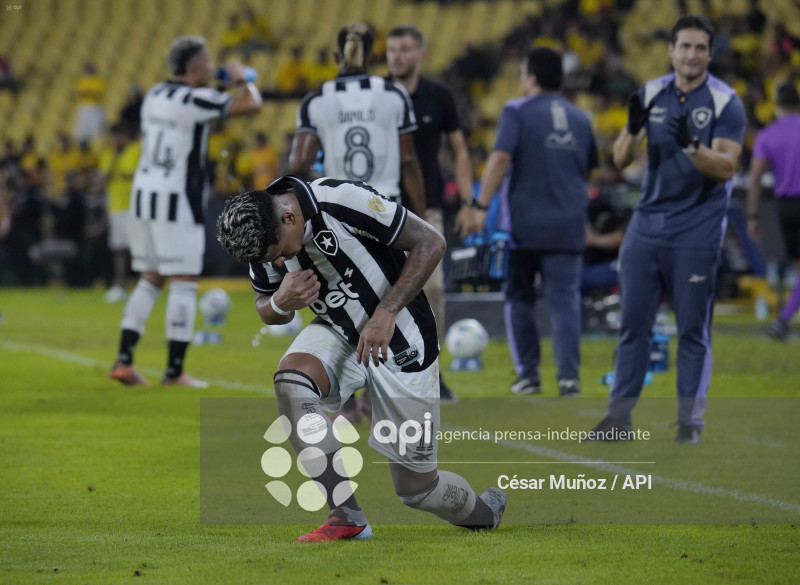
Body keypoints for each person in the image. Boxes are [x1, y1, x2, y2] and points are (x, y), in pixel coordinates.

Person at [216, 174, 506, 541]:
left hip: (403, 338)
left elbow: (432, 242)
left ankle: (486, 512)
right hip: (339, 332)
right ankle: (346, 516)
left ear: (289, 218)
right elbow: (265, 305)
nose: (278, 261)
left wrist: (386, 312)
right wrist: (279, 302)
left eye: (279, 252)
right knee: (291, 383)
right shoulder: (261, 230)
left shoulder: (340, 200)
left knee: (418, 491)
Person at [591, 15, 746, 444]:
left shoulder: (726, 101)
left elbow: (727, 167)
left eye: (700, 48)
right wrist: (633, 128)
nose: (692, 54)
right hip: (646, 225)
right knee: (632, 326)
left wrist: (693, 146)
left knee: (692, 330)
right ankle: (618, 421)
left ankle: (689, 424)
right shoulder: (651, 93)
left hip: (697, 229)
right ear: (671, 51)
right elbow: (621, 159)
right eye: (685, 46)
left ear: (709, 54)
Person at [110, 35, 262, 387]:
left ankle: (124, 360)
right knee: (184, 280)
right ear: (195, 67)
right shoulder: (196, 99)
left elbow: (194, 107)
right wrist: (241, 79)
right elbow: (251, 105)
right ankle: (175, 371)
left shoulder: (155, 94)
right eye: (208, 61)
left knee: (150, 278)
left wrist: (216, 84)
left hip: (143, 196)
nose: (212, 66)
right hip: (176, 199)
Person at [456, 47, 598, 398]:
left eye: (522, 74)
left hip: (524, 225)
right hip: (568, 225)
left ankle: (529, 376)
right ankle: (568, 379)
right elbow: (588, 168)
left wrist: (480, 205)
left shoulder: (515, 110)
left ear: (531, 77)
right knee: (565, 300)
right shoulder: (582, 118)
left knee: (519, 297)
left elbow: (500, 157)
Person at [386, 24, 474, 402]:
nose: (396, 56)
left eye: (404, 49)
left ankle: (431, 371)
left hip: (427, 210)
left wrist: (469, 203)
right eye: (391, 49)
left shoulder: (439, 96)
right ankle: (378, 375)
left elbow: (460, 149)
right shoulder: (378, 94)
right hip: (380, 210)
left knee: (433, 287)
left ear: (421, 53)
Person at [288, 23, 426, 219]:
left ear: (337, 58)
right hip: (387, 208)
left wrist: (323, 181)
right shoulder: (394, 94)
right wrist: (421, 217)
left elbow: (299, 164)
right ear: (373, 58)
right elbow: (408, 160)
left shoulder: (315, 100)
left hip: (340, 209)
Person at [747, 82, 800, 341]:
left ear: (777, 105)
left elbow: (755, 178)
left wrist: (752, 215)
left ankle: (783, 319)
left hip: (786, 207)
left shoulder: (768, 135)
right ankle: (782, 320)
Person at [99, 123, 141, 303]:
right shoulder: (108, 154)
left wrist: (121, 174)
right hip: (116, 206)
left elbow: (135, 174)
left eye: (119, 136)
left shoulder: (135, 150)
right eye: (114, 136)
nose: (117, 140)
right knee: (119, 249)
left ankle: (143, 285)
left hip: (134, 205)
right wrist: (114, 163)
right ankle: (120, 286)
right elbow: (103, 179)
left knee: (137, 247)